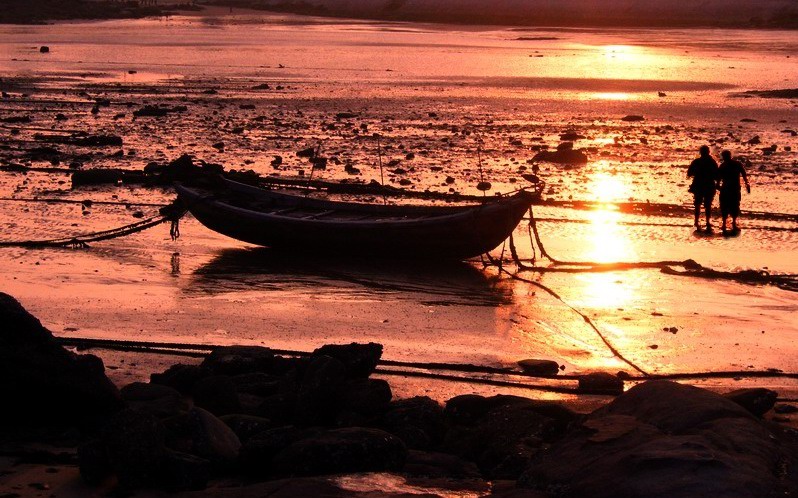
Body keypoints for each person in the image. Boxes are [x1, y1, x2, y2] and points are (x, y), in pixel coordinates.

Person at [716, 150, 750, 232]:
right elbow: (744, 174)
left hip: (726, 188)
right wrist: (747, 184)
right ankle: (733, 224)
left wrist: (718, 186)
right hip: (734, 188)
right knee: (734, 205)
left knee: (725, 206)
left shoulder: (723, 166)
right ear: (730, 155)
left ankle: (725, 225)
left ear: (723, 157)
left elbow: (718, 179)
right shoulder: (737, 164)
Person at [687, 145, 718, 231]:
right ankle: (707, 222)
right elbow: (717, 175)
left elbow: (689, 173)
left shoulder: (696, 162)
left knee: (697, 204)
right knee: (708, 205)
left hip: (698, 185)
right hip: (709, 185)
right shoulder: (712, 162)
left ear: (700, 152)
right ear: (708, 152)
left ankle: (696, 222)